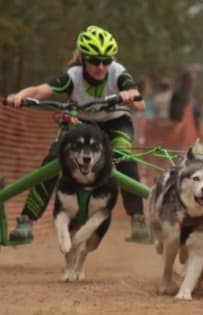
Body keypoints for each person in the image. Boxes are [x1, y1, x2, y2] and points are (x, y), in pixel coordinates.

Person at [6, 25, 149, 242]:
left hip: (116, 122)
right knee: (54, 159)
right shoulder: (73, 76)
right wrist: (21, 95)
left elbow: (140, 105)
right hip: (81, 123)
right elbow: (40, 90)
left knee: (124, 156)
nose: (101, 67)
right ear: (82, 58)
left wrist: (131, 95)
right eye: (94, 61)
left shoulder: (118, 72)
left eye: (106, 61)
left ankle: (138, 219)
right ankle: (27, 220)